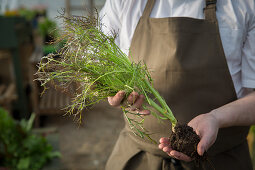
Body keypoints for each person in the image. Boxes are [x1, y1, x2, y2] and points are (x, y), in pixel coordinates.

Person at [100, 0, 255, 169]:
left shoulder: (244, 6)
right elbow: (97, 68)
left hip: (220, 161)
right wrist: (113, 90)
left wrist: (216, 118)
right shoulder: (125, 3)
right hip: (139, 159)